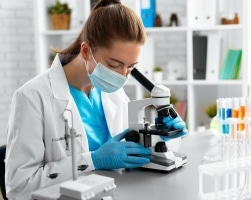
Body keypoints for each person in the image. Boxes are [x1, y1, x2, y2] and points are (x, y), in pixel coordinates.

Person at [5, 0, 188, 199]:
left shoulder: (112, 91)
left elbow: (130, 151)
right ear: (86, 51)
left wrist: (163, 137)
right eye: (114, 64)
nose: (122, 75)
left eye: (130, 67)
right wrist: (93, 160)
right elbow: (19, 186)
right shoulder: (32, 97)